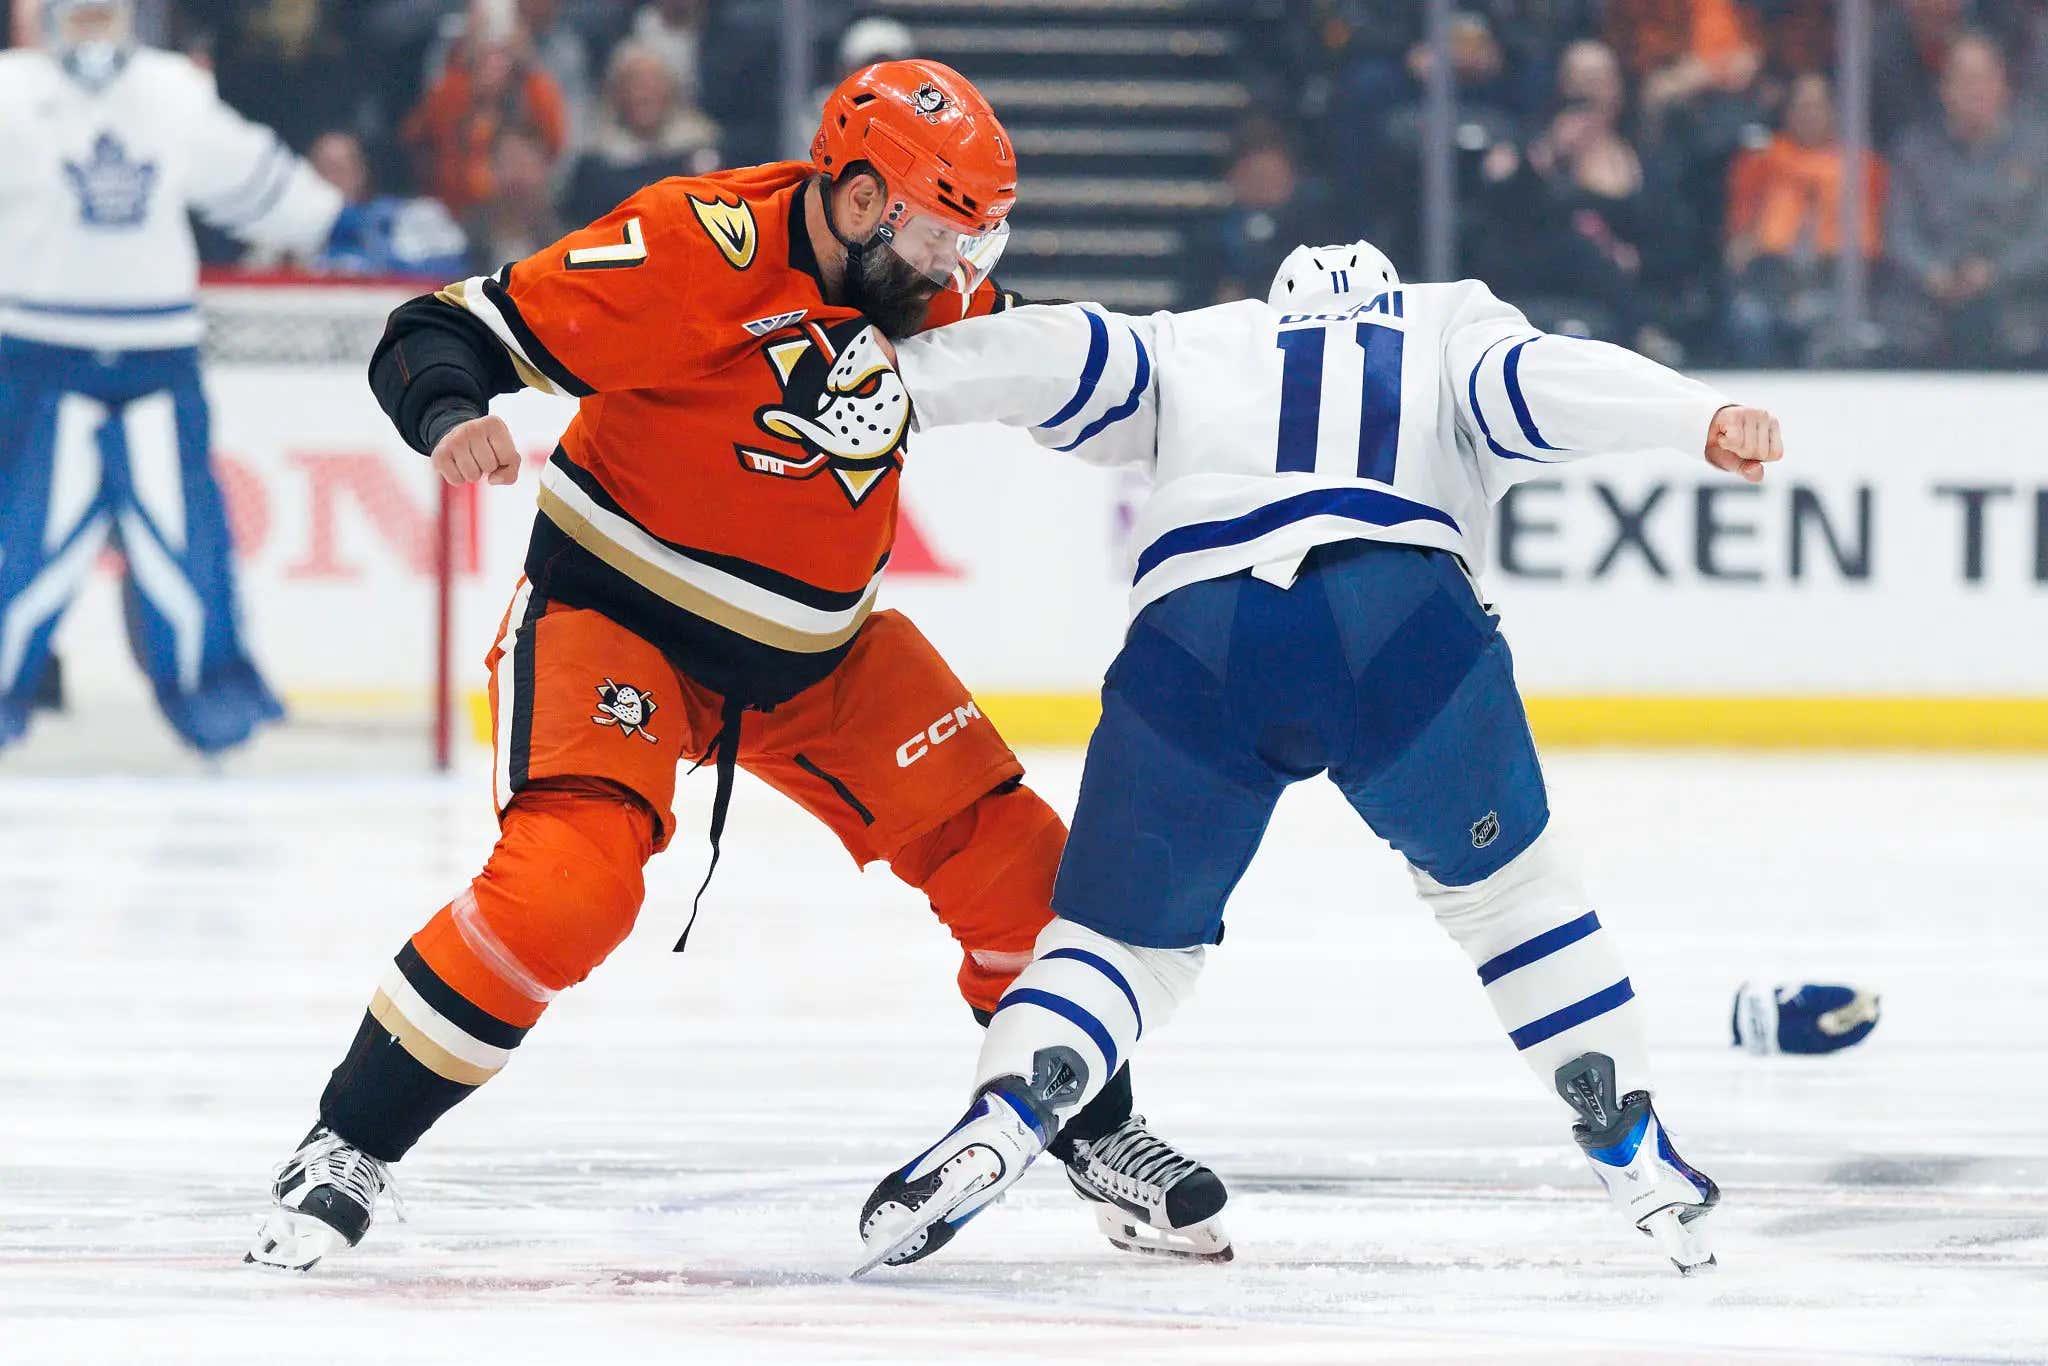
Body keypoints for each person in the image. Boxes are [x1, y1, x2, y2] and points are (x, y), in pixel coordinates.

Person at [246, 59, 1224, 1272]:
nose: (955, 274)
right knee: (567, 885)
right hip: (623, 622)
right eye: (937, 236)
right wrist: (454, 417)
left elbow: (1059, 361)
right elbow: (438, 330)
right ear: (861, 201)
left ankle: (1092, 1127)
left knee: (1025, 871)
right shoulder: (685, 249)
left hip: (823, 655)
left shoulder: (917, 285)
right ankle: (346, 1141)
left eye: (974, 242)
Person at [854, 240, 1784, 1276]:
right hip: (1393, 614)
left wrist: (896, 378)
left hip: (1195, 629)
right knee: (1512, 901)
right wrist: (1692, 414)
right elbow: (1542, 381)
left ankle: (1010, 1113)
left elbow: (1054, 351)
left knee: (1118, 945)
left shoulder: (1199, 341)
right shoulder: (1445, 323)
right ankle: (1632, 1151)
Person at [0, 0, 342, 752]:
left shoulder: (172, 89)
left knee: (189, 542)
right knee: (16, 543)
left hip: (157, 353)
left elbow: (255, 177)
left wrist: (333, 221)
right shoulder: (9, 90)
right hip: (36, 357)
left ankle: (211, 696)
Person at [1885, 32, 2048, 366]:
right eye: (1963, 79)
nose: (1975, 90)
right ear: (1944, 88)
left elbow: (2041, 237)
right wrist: (1933, 272)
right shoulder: (1915, 153)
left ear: (2004, 86)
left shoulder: (2038, 152)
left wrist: (1996, 272)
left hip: (2019, 313)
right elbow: (1899, 231)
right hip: (1927, 312)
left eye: (1983, 78)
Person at [562, 40, 721, 228]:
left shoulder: (702, 146)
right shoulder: (596, 163)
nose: (644, 94)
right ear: (616, 94)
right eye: (634, 83)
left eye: (653, 82)